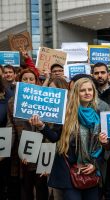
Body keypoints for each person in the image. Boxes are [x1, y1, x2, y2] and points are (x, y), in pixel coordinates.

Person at [36, 77, 103, 199]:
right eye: (83, 90)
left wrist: (94, 164)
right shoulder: (66, 113)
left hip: (90, 170)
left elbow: (100, 145)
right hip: (69, 171)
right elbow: (54, 137)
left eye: (90, 90)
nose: (87, 93)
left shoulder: (97, 114)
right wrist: (41, 126)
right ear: (76, 92)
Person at [6, 68, 46, 200]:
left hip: (41, 151)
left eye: (31, 79)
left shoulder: (44, 101)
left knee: (41, 188)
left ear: (36, 82)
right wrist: (6, 149)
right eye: (25, 79)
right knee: (25, 188)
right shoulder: (12, 102)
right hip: (21, 152)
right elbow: (11, 127)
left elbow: (48, 129)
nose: (28, 82)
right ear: (19, 81)